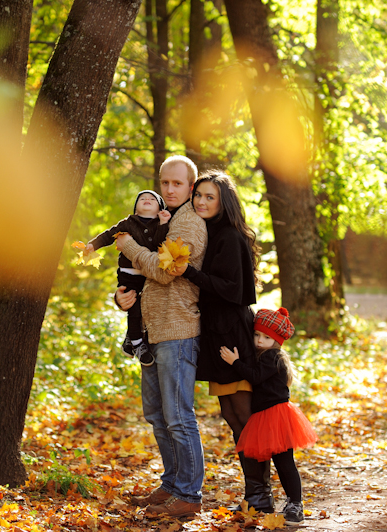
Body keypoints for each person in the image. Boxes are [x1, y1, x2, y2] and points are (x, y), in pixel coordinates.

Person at [167, 170, 270, 512]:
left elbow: (233, 290)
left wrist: (189, 273)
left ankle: (261, 495)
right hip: (217, 334)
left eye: (209, 197)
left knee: (243, 415)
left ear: (223, 202)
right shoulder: (210, 232)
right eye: (198, 195)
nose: (201, 201)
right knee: (232, 415)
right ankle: (256, 493)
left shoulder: (229, 236)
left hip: (232, 335)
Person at [115, 155, 207, 518]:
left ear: (191, 187)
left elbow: (166, 271)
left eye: (177, 184)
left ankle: (189, 494)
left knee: (178, 416)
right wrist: (122, 297)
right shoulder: (161, 222)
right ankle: (172, 484)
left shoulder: (189, 223)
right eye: (165, 182)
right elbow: (141, 276)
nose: (169, 189)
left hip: (177, 330)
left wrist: (128, 247)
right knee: (156, 414)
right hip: (151, 331)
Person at [219, 307, 317, 525]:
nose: (259, 340)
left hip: (277, 416)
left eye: (266, 337)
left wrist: (235, 362)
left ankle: (296, 504)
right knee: (281, 462)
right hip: (266, 416)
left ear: (277, 341)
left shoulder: (272, 356)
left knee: (285, 463)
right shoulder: (265, 355)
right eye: (257, 335)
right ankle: (283, 501)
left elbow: (255, 377)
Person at [85, 190, 171, 366]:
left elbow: (159, 243)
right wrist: (93, 245)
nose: (147, 200)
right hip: (129, 273)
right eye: (142, 198)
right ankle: (137, 344)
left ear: (160, 209)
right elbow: (109, 234)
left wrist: (163, 223)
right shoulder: (128, 223)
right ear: (136, 209)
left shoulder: (160, 224)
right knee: (134, 307)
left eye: (152, 199)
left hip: (147, 274)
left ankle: (129, 340)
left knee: (144, 306)